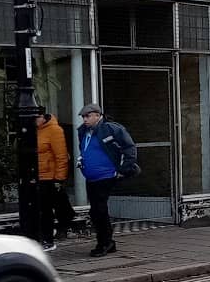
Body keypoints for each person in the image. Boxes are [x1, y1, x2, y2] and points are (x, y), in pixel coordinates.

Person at [76, 103, 138, 258]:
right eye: (83, 117)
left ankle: (105, 243)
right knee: (95, 210)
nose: (85, 119)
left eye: (88, 116)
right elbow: (84, 150)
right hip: (91, 177)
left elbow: (129, 148)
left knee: (99, 209)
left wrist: (122, 169)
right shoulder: (84, 131)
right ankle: (107, 243)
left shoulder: (111, 129)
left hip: (106, 176)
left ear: (98, 115)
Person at [36, 105, 73, 251]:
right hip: (38, 175)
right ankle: (46, 236)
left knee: (46, 209)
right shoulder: (35, 130)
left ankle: (48, 239)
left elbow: (61, 156)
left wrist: (59, 179)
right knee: (42, 208)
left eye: (35, 119)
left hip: (49, 176)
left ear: (42, 117)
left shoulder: (54, 130)